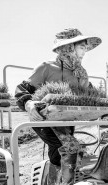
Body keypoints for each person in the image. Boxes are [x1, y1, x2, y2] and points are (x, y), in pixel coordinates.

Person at [15, 28, 102, 171]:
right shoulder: (46, 67)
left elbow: (91, 96)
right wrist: (29, 104)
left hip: (66, 119)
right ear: (68, 48)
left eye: (86, 48)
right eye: (82, 47)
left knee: (58, 153)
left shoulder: (80, 73)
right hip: (43, 119)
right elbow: (22, 90)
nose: (85, 52)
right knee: (67, 147)